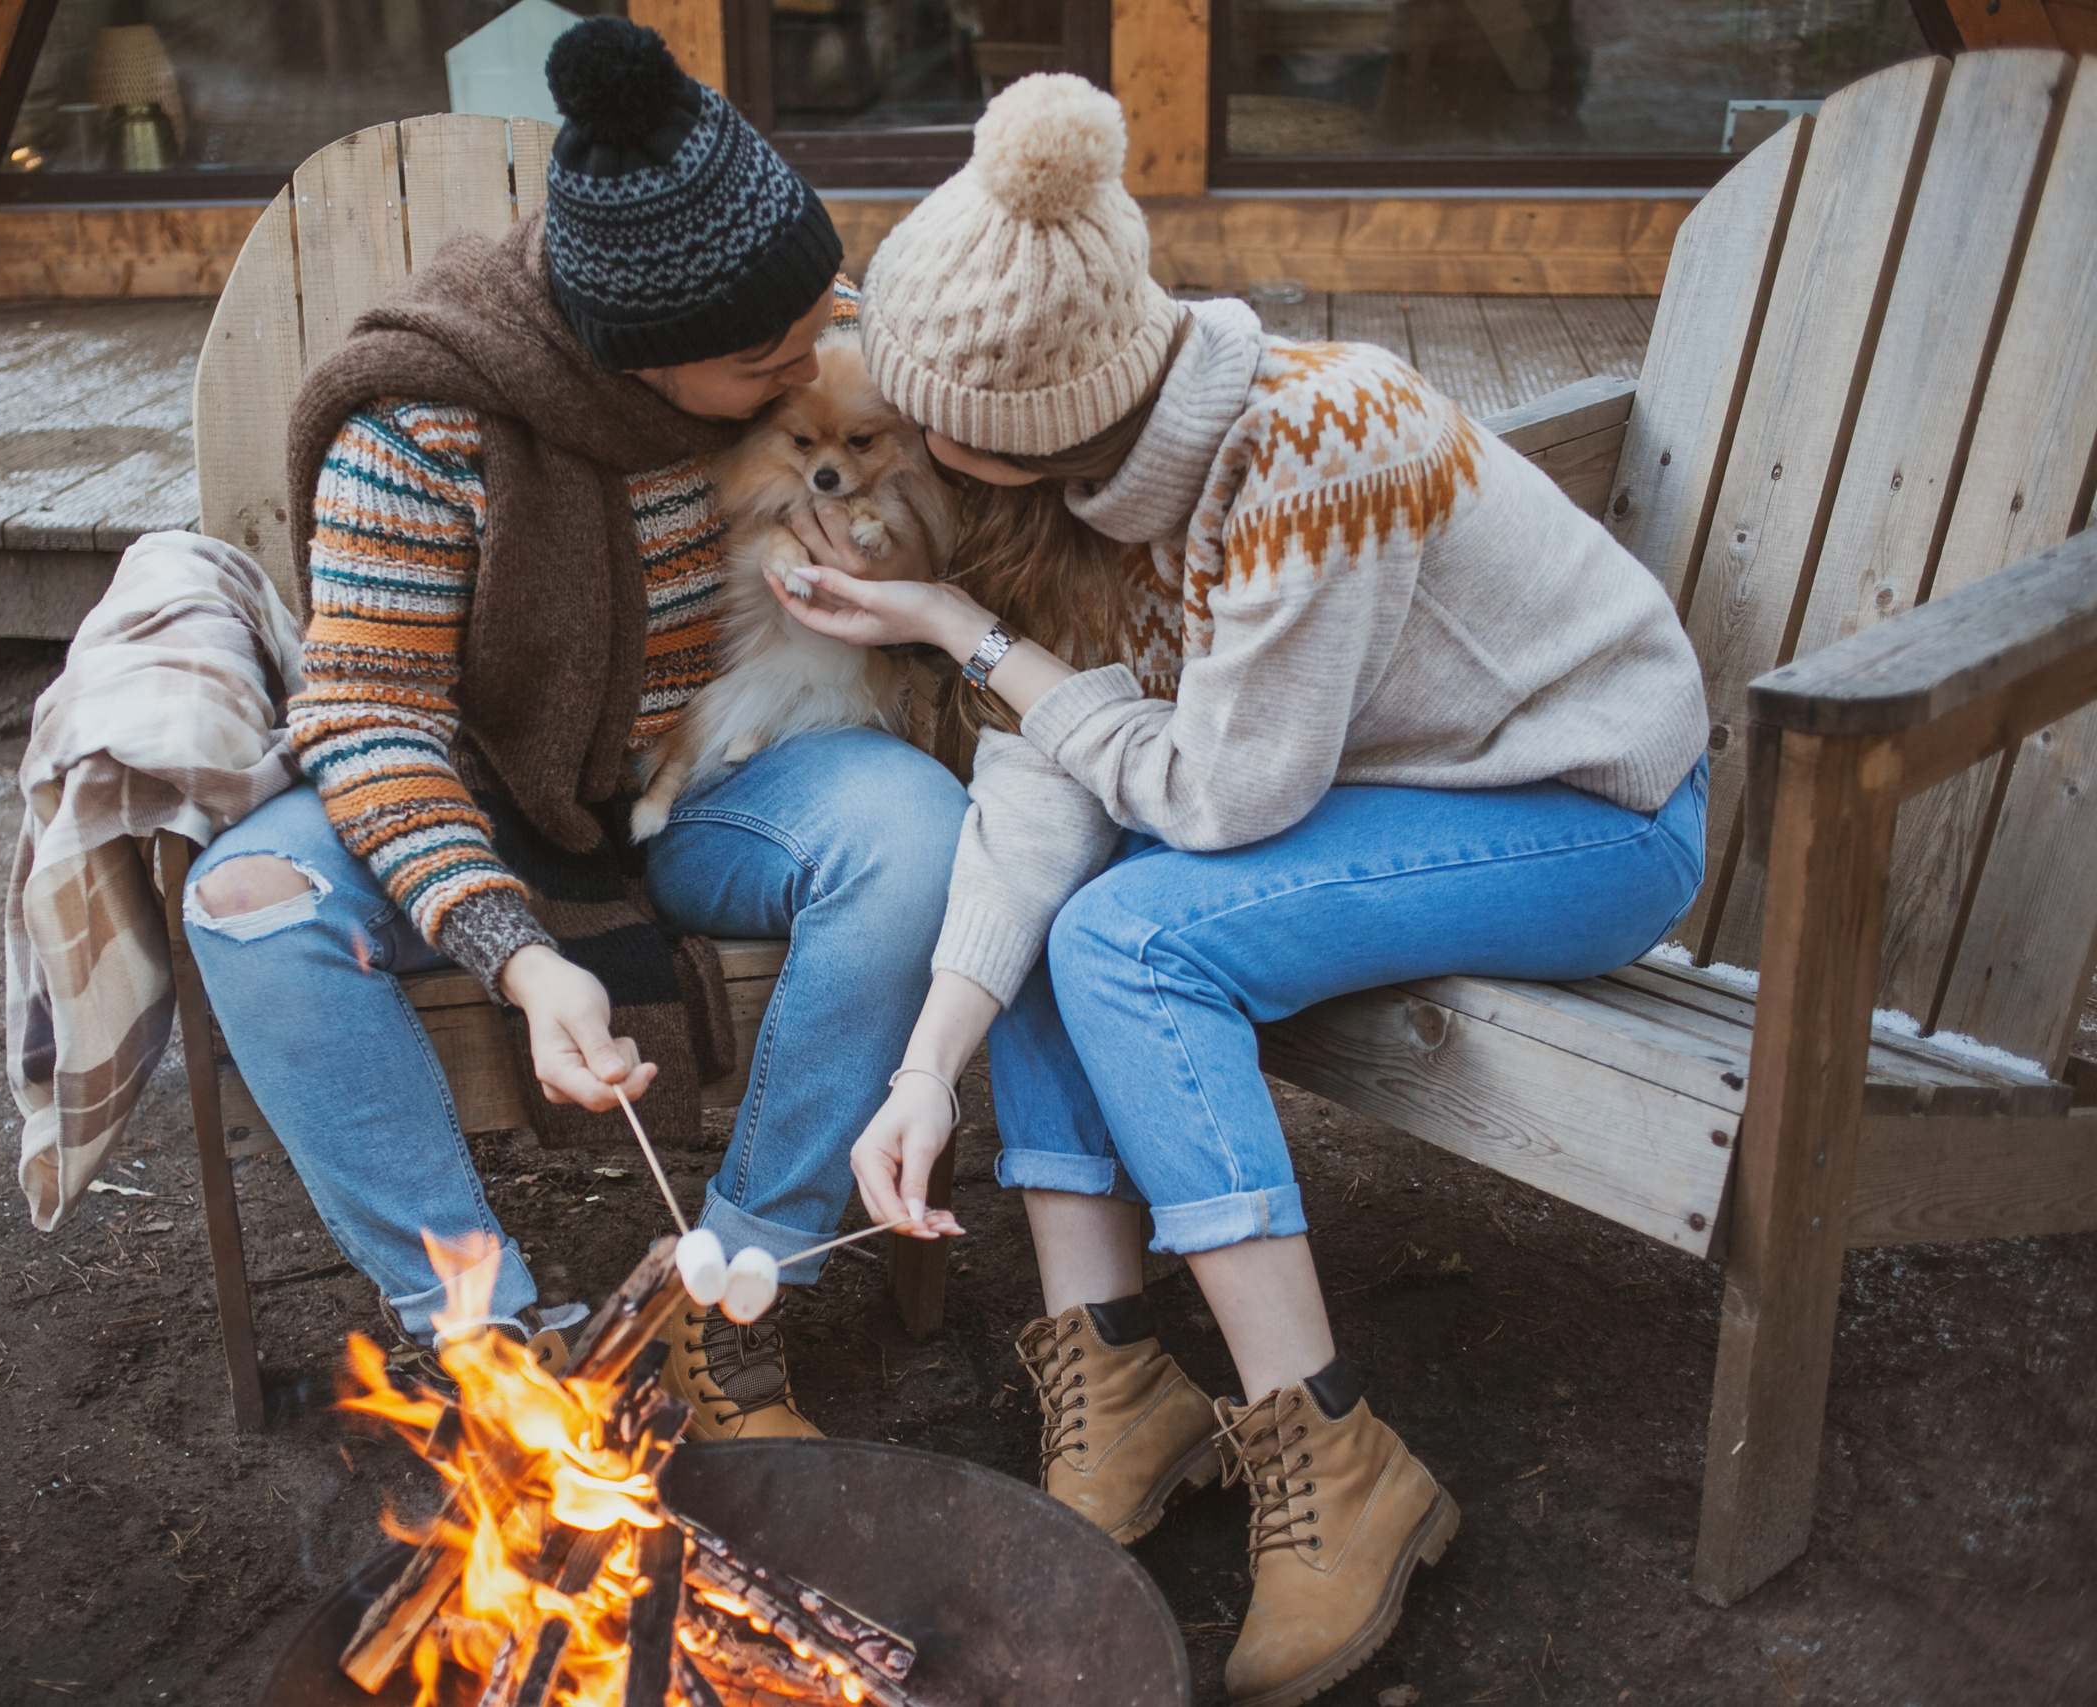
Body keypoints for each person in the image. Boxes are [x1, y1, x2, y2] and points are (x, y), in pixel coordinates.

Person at [777, 75, 1709, 1707]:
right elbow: (1045, 779)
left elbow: (1216, 797)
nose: (894, 450)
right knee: (1071, 903)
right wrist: (930, 1062)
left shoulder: (1312, 449)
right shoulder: (1062, 486)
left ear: (1011, 424)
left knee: (1132, 940)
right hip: (1372, 791)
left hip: (1583, 809)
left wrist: (960, 634)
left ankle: (1336, 1457)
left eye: (915, 420)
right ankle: (1117, 1382)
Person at [181, 19, 964, 1440]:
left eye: (820, 332)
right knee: (244, 899)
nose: (814, 369)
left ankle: (732, 1291)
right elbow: (367, 716)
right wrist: (519, 954)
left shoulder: (809, 345)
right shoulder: (424, 430)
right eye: (770, 364)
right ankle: (490, 1343)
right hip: (476, 793)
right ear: (641, 363)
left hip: (715, 775)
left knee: (922, 836)